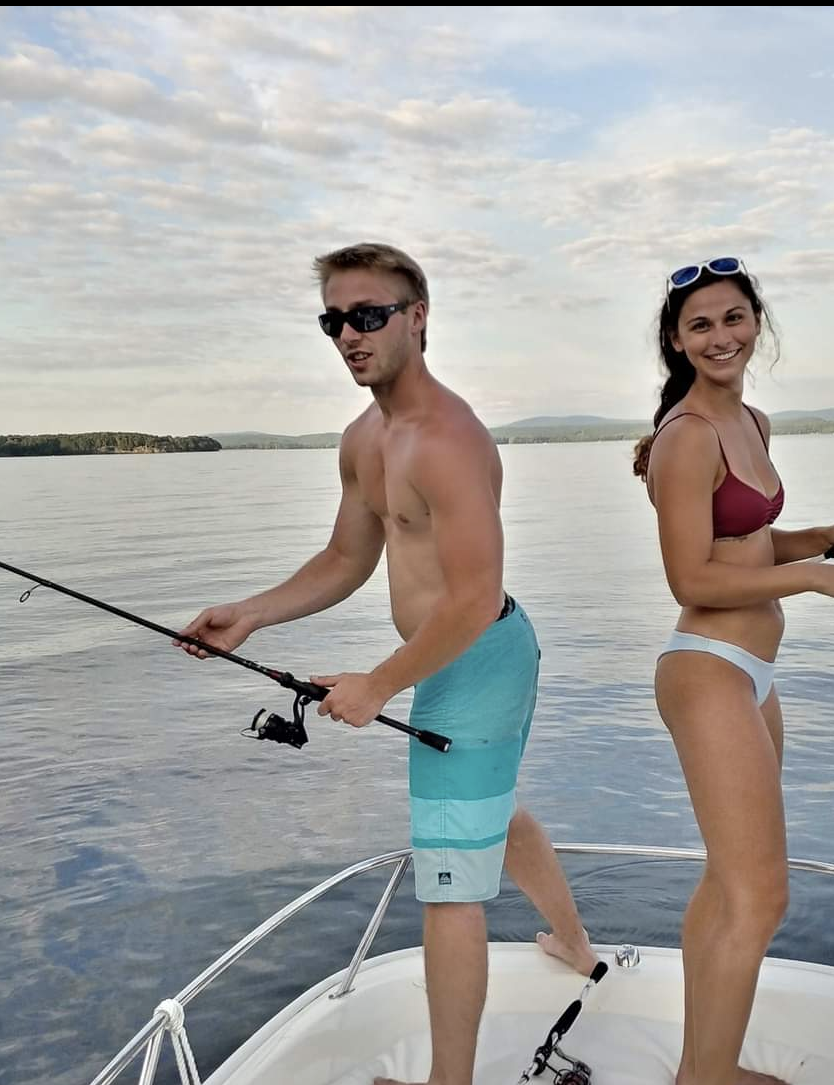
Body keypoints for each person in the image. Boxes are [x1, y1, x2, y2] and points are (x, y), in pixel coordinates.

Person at [175, 242, 596, 1085]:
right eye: (333, 320)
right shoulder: (365, 437)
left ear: (418, 317)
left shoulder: (448, 439)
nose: (348, 336)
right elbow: (345, 557)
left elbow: (475, 596)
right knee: (496, 813)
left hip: (479, 657)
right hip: (460, 655)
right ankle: (577, 947)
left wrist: (380, 682)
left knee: (448, 887)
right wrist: (251, 614)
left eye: (368, 316)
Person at [632, 257, 834, 1085]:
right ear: (676, 340)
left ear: (757, 323)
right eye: (701, 324)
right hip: (705, 667)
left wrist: (821, 537)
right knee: (760, 896)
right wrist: (813, 577)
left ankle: (703, 1069)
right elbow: (692, 578)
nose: (721, 336)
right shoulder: (685, 437)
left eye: (734, 318)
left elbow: (745, 543)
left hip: (752, 673)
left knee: (727, 884)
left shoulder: (755, 422)